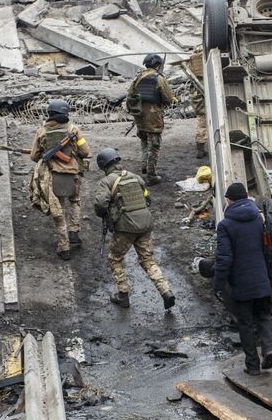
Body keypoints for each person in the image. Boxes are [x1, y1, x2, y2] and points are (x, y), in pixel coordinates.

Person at [213, 182, 272, 376]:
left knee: (245, 324)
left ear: (229, 200)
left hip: (240, 285)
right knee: (264, 317)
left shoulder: (225, 225)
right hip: (263, 280)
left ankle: (253, 366)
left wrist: (218, 284)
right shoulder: (262, 218)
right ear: (247, 197)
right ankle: (269, 350)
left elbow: (224, 259)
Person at [92, 147, 175, 310]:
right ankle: (166, 291)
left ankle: (123, 295)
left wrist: (109, 213)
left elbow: (100, 205)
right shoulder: (135, 177)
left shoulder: (106, 181)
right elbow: (147, 199)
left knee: (115, 258)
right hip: (145, 224)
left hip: (126, 227)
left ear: (103, 165)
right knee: (147, 260)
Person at [29, 98, 91, 261]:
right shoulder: (74, 129)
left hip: (53, 177)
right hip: (73, 174)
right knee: (75, 201)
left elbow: (34, 156)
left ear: (50, 114)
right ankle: (74, 232)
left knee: (59, 211)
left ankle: (64, 248)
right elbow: (85, 151)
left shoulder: (41, 131)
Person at [126, 53, 175, 185]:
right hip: (153, 118)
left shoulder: (138, 77)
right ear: (157, 65)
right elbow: (168, 98)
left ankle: (144, 166)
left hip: (140, 117)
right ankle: (151, 175)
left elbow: (130, 95)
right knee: (154, 146)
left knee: (144, 143)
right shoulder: (159, 78)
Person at [187, 44, 208, 158]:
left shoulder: (192, 60)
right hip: (206, 90)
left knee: (201, 119)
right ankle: (200, 148)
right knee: (205, 120)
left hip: (196, 93)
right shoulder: (205, 57)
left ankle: (200, 146)